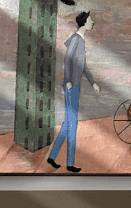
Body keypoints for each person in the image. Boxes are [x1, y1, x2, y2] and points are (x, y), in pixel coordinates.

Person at [47, 11, 101, 173]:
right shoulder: (77, 40)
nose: (93, 22)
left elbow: (82, 66)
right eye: (91, 20)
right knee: (73, 124)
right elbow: (67, 58)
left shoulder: (80, 41)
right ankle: (70, 164)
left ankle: (52, 157)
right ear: (84, 23)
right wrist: (68, 80)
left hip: (74, 86)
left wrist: (93, 83)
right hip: (72, 87)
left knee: (67, 124)